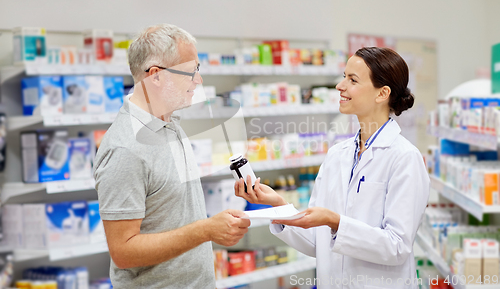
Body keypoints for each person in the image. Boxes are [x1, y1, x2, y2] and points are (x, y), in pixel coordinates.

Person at [235, 47, 430, 289]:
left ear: (382, 93)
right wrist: (277, 204)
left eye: (352, 80)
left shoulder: (404, 158)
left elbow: (397, 246)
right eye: (344, 76)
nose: (340, 86)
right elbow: (317, 242)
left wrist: (336, 222)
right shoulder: (338, 155)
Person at [94, 24, 250, 288]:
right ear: (155, 76)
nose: (198, 81)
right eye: (190, 72)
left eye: (197, 70)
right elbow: (123, 252)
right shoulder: (125, 149)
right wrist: (205, 230)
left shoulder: (170, 125)